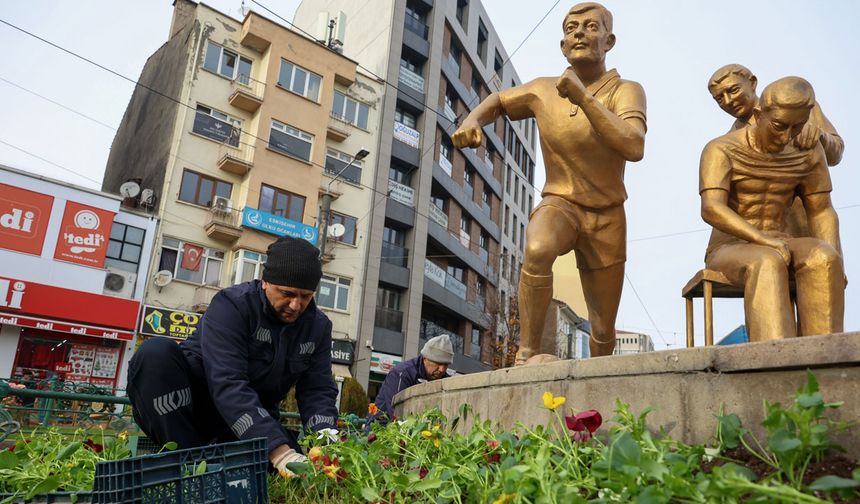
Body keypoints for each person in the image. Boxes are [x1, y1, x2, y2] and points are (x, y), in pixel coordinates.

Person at [452, 2, 646, 361]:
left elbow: (633, 146)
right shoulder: (543, 90)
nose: (579, 33)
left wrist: (584, 98)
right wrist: (472, 121)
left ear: (609, 40)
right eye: (571, 28)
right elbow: (498, 100)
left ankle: (600, 377)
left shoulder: (626, 91)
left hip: (607, 215)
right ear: (562, 46)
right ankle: (527, 353)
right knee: (538, 249)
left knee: (603, 329)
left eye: (591, 26)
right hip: (561, 202)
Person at [127, 236, 339, 476]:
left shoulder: (318, 327)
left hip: (250, 420)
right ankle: (189, 465)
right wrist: (278, 452)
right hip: (192, 407)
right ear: (265, 282)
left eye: (306, 296)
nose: (295, 305)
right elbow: (227, 380)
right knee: (155, 354)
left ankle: (236, 459)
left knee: (290, 470)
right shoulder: (232, 306)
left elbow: (318, 390)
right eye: (287, 293)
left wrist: (328, 445)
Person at [699, 76, 845, 341]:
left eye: (797, 127)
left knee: (824, 257)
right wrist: (761, 238)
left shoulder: (809, 150)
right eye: (779, 126)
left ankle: (825, 359)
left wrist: (836, 260)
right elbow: (711, 209)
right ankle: (776, 363)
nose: (787, 136)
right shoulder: (721, 148)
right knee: (766, 260)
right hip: (731, 248)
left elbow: (821, 210)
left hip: (782, 240)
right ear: (759, 114)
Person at [707, 64, 844, 236]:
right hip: (753, 240)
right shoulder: (729, 144)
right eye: (719, 98)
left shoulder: (796, 104)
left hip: (802, 222)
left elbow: (836, 154)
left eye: (733, 90)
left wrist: (820, 136)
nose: (728, 101)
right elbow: (718, 205)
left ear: (752, 83)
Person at [368, 334, 454, 423]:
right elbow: (396, 412)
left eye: (446, 364)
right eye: (438, 363)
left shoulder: (445, 379)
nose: (442, 369)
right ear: (425, 358)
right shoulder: (401, 374)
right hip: (381, 427)